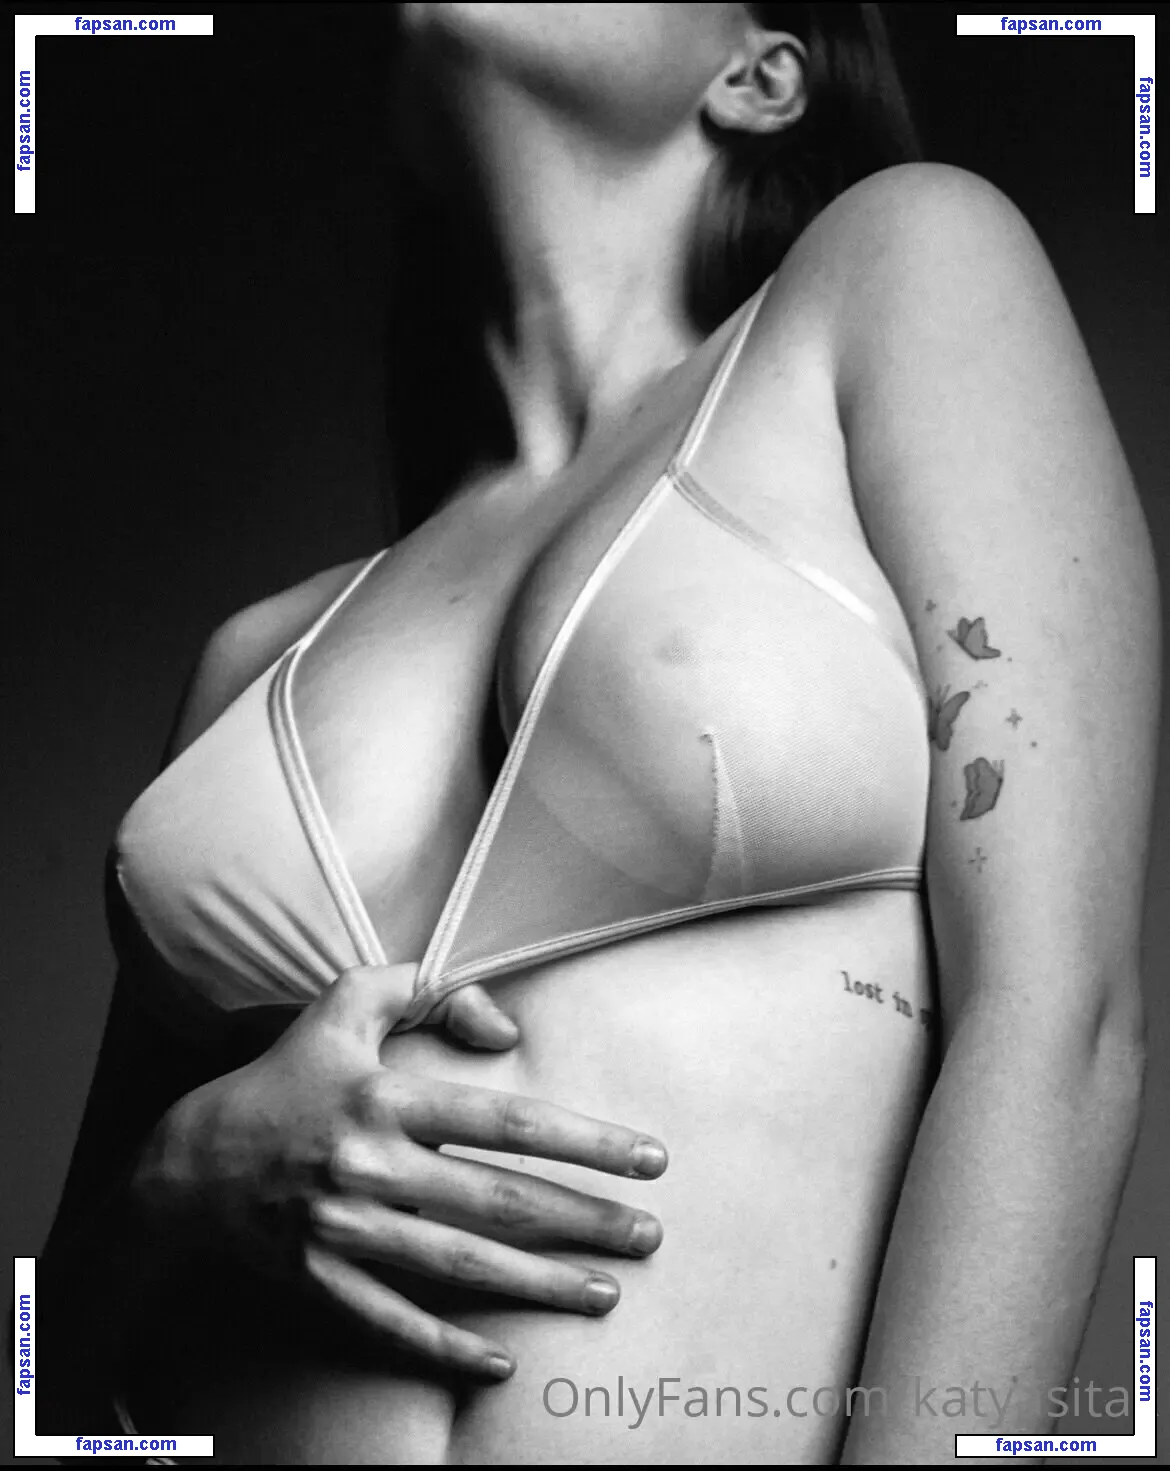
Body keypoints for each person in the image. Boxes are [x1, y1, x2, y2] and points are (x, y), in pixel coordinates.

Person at [40, 3, 1158, 1464]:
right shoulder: (255, 659)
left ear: (760, 75)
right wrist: (177, 1178)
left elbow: (1060, 1021)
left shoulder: (905, 270)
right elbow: (45, 1378)